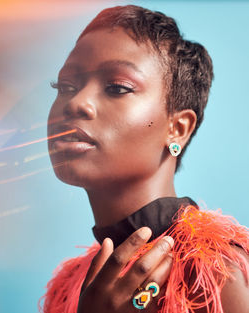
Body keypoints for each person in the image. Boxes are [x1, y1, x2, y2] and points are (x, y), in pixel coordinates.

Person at [39, 5, 249, 313]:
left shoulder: (220, 273)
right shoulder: (66, 288)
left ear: (178, 129)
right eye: (66, 87)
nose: (76, 103)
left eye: (117, 88)